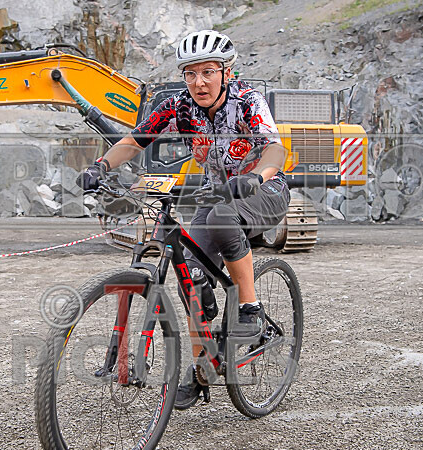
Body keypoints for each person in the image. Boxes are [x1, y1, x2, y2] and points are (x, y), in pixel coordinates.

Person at [80, 29, 291, 409]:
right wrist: (101, 165)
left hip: (264, 191)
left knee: (224, 218)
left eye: (208, 72)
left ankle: (249, 308)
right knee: (189, 277)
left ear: (226, 71)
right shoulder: (179, 106)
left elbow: (274, 148)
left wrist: (257, 175)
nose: (199, 82)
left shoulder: (247, 101)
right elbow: (136, 139)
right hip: (218, 194)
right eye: (191, 73)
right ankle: (203, 370)